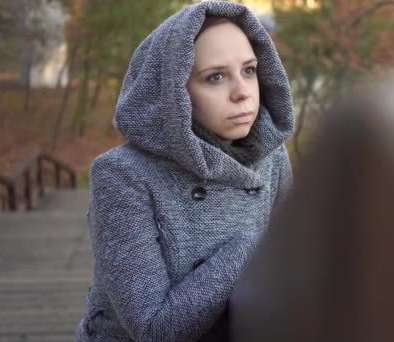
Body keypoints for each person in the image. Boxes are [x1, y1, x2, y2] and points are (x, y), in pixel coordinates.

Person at [75, 1, 294, 341]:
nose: (242, 93)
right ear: (173, 92)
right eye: (215, 77)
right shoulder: (121, 176)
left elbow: (290, 274)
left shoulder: (271, 157)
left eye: (249, 70)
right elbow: (154, 328)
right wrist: (255, 244)